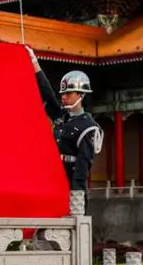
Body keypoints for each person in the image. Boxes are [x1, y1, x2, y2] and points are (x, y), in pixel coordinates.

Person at [26, 46, 103, 195]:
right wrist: (34, 63)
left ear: (81, 95)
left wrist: (77, 198)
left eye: (68, 93)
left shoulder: (88, 127)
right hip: (53, 180)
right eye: (62, 93)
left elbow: (82, 166)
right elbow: (47, 93)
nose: (64, 96)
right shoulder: (61, 116)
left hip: (70, 185)